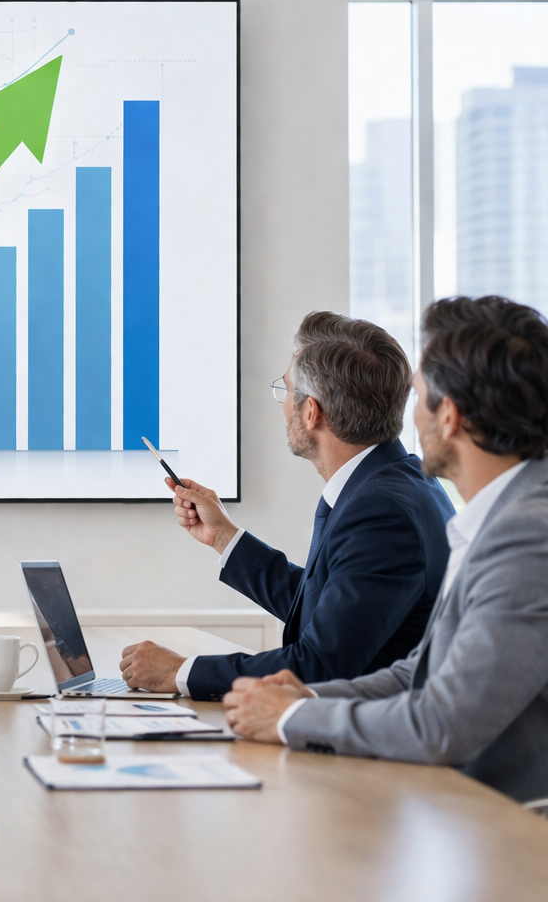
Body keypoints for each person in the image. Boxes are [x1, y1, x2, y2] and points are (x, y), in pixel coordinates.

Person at [225, 296, 548, 803]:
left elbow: (443, 723)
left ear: (449, 417)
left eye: (418, 395)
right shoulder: (501, 518)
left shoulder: (525, 538)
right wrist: (304, 696)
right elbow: (419, 672)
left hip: (508, 824)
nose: (406, 414)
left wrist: (292, 716)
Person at [120, 312, 454, 700]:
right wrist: (224, 537)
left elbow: (319, 666)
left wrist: (179, 672)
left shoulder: (381, 511)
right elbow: (333, 608)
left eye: (287, 390)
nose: (283, 404)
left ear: (311, 412)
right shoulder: (396, 481)